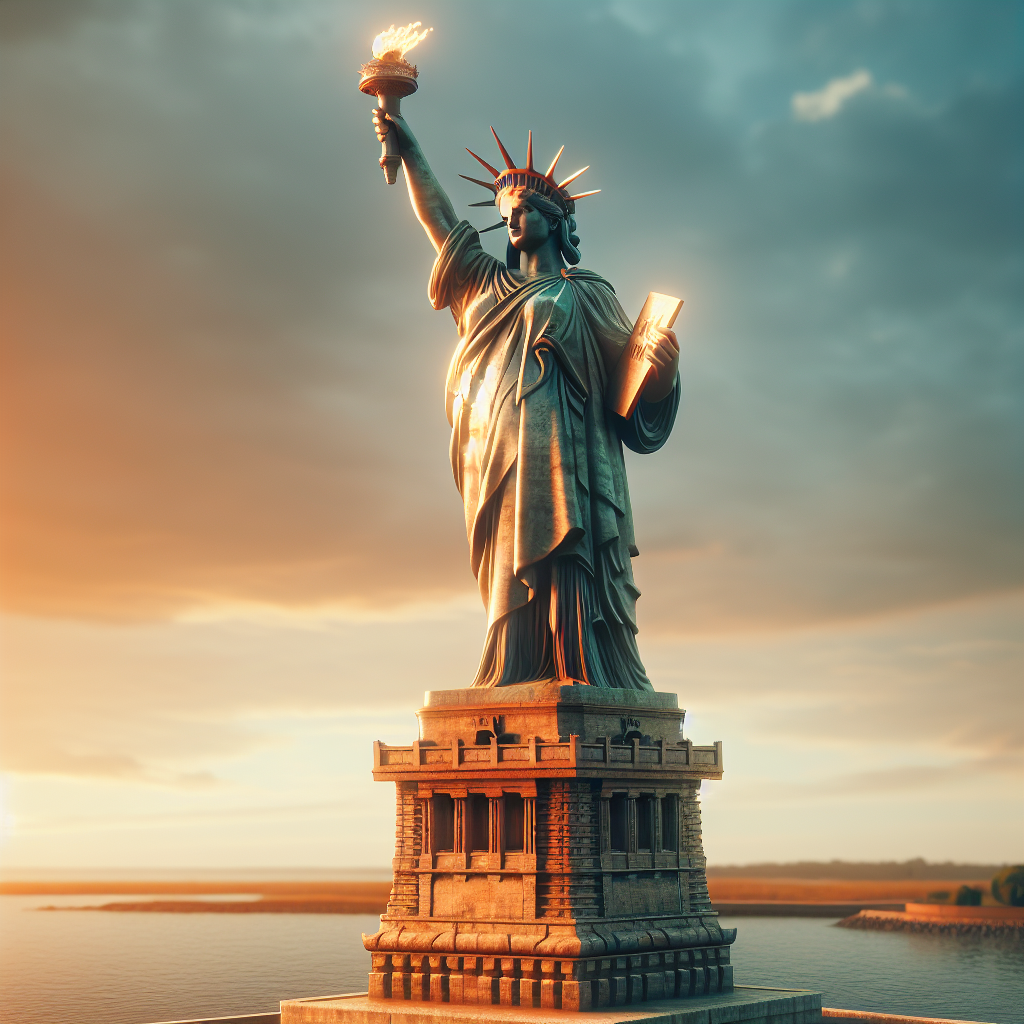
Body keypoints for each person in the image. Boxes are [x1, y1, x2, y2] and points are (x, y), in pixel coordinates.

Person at [373, 111, 681, 689]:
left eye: (525, 210)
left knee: (567, 553)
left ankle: (581, 663)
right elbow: (440, 220)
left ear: (557, 221)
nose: (513, 220)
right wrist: (409, 147)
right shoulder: (483, 285)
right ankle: (513, 665)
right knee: (508, 559)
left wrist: (661, 374)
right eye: (505, 213)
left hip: (568, 452)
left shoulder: (584, 293)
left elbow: (630, 387)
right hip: (494, 450)